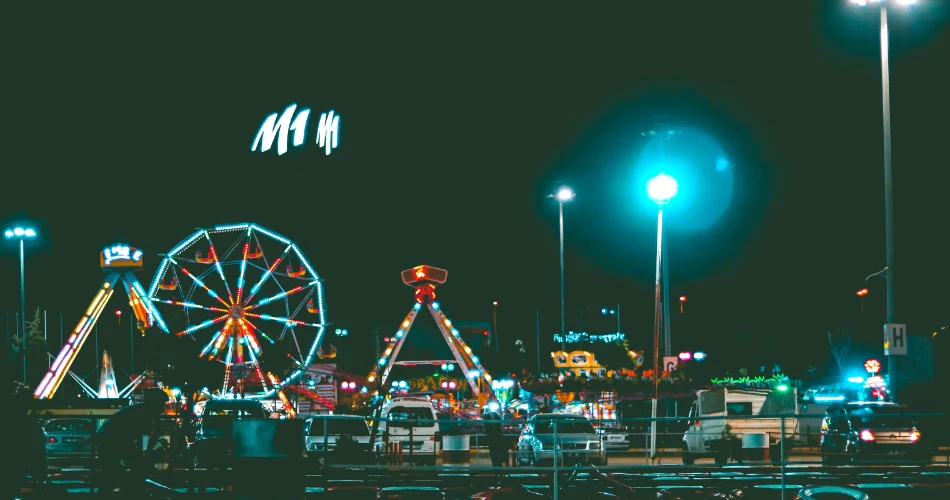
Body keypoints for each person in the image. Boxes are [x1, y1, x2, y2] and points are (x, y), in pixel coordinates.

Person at [93, 387, 168, 496]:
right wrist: (145, 456)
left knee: (115, 470)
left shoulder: (141, 410)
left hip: (110, 438)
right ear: (155, 403)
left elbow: (146, 436)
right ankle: (128, 489)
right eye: (162, 404)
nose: (163, 408)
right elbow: (146, 436)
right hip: (111, 440)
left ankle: (121, 488)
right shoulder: (144, 413)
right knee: (117, 470)